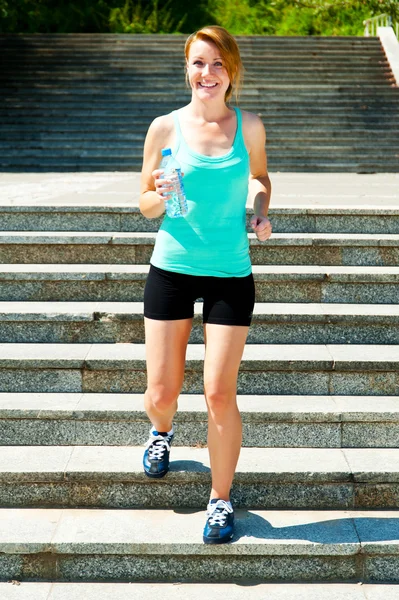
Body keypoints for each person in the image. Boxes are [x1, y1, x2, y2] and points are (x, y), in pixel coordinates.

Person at [139, 24, 272, 544]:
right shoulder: (164, 128)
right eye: (198, 63)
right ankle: (161, 431)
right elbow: (145, 203)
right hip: (172, 266)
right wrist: (162, 193)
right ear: (186, 68)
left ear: (231, 70)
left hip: (230, 273)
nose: (207, 74)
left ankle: (220, 500)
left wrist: (260, 212)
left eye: (217, 64)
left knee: (219, 391)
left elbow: (261, 177)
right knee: (161, 392)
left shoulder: (250, 126)